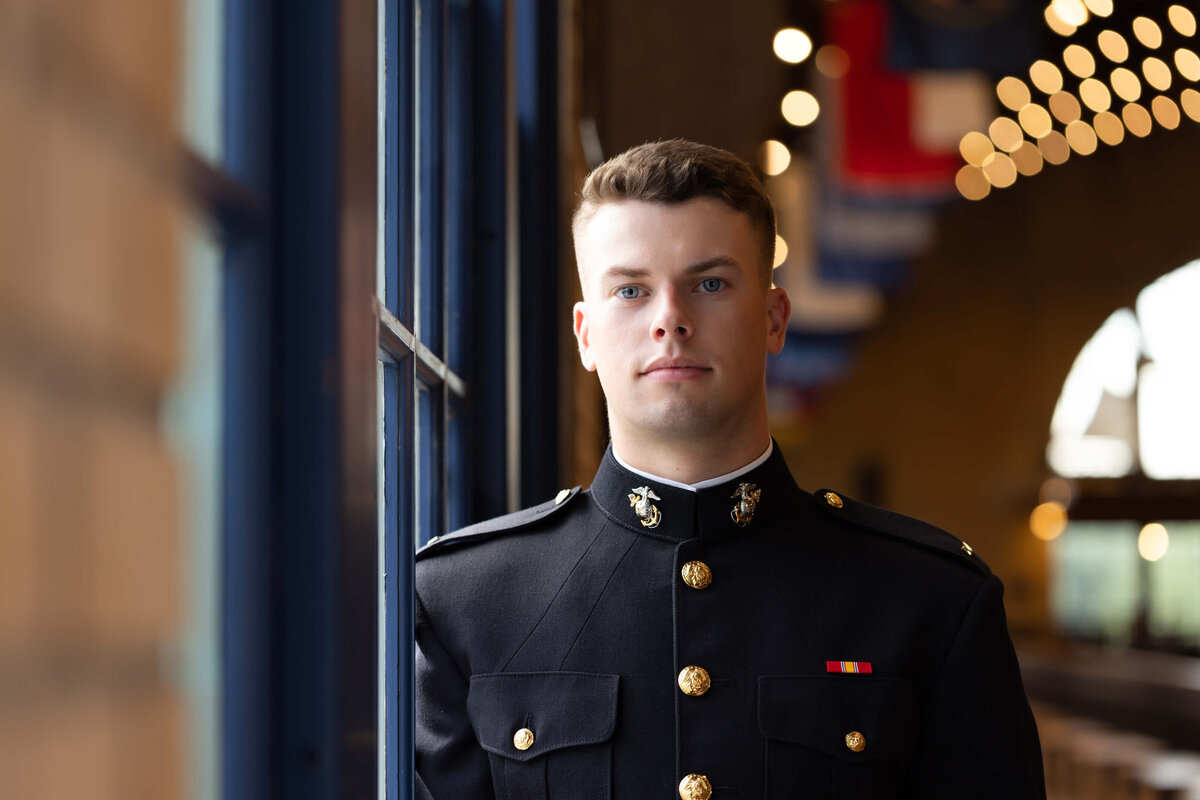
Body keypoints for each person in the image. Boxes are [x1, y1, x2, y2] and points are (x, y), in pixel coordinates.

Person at [415, 139, 1045, 799]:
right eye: (630, 290)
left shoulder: (931, 600)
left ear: (773, 319)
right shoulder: (463, 602)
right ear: (586, 336)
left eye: (709, 283)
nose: (670, 321)